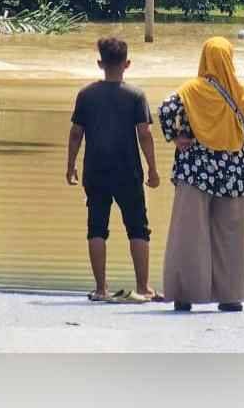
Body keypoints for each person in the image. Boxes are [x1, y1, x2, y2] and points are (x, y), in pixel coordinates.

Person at [158, 37, 244, 313]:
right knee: (231, 236)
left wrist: (176, 137)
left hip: (196, 169)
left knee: (190, 233)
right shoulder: (242, 91)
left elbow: (165, 111)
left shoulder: (190, 90)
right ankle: (230, 297)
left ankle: (186, 295)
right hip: (235, 171)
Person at [67, 37, 162, 303]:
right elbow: (145, 135)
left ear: (100, 63)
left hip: (95, 171)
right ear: (127, 64)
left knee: (96, 227)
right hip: (128, 171)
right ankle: (143, 288)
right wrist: (153, 169)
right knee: (138, 228)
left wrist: (70, 166)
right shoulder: (135, 96)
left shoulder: (86, 95)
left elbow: (76, 134)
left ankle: (100, 289)